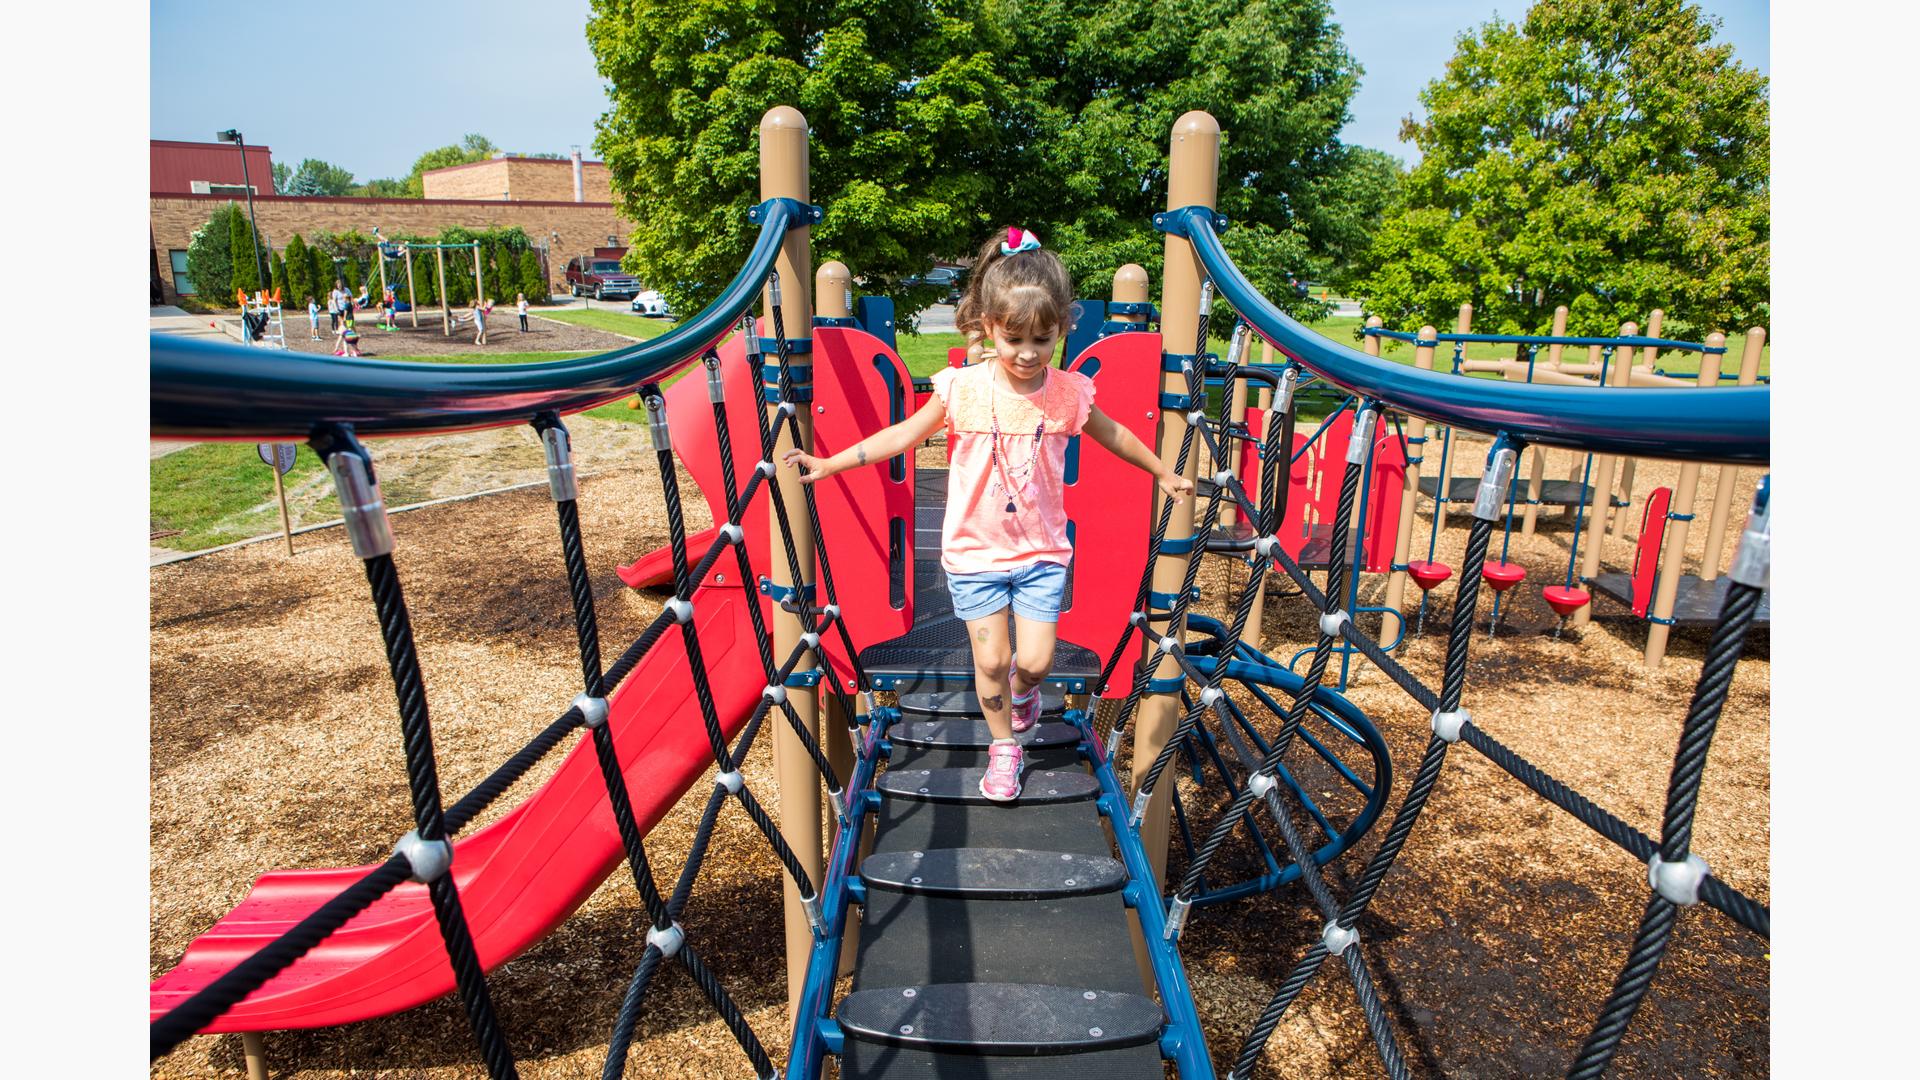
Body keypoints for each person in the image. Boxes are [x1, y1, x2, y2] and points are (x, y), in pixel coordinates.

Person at [782, 227, 1191, 802]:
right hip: (975, 553)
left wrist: (1161, 471)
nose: (1027, 353)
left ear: (1061, 330)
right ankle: (1004, 747)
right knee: (992, 659)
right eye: (1013, 338)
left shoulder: (1068, 394)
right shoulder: (963, 389)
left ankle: (1024, 694)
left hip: (1041, 552)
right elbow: (904, 435)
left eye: (1042, 339)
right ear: (987, 327)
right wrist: (832, 463)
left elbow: (1115, 434)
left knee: (1036, 661)